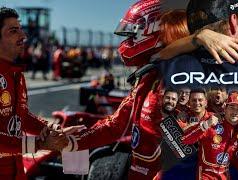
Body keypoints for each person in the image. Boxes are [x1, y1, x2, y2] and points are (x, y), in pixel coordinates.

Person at [59, 3, 193, 180]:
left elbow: (185, 157)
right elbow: (116, 124)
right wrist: (70, 140)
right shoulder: (149, 78)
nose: (126, 44)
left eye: (133, 35)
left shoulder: (185, 81)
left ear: (156, 31)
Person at [0, 7, 83, 179]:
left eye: (21, 29)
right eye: (14, 31)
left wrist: (51, 128)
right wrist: (38, 143)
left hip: (16, 168)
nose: (23, 36)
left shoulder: (16, 74)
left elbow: (22, 116)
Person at [182, 93, 238, 179]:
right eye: (231, 107)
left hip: (224, 177)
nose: (234, 112)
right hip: (205, 176)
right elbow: (185, 140)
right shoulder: (211, 123)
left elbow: (231, 157)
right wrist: (205, 125)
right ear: (225, 108)